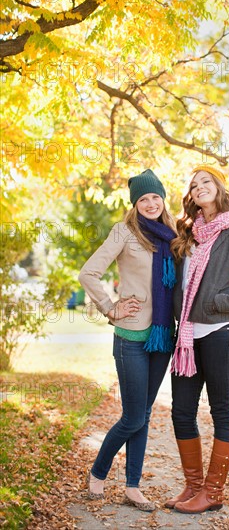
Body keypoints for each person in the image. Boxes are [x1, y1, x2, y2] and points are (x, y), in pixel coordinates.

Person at [166, 165, 229, 514]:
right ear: (191, 197)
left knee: (222, 411)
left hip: (222, 333)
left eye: (205, 181)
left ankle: (213, 492)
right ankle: (194, 486)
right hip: (187, 338)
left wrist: (219, 303)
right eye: (194, 186)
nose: (199, 188)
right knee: (181, 411)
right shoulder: (189, 234)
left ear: (218, 187)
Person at [78, 169, 176, 512]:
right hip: (131, 336)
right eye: (143, 198)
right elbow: (88, 272)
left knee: (144, 414)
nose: (150, 203)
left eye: (155, 197)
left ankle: (133, 487)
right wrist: (110, 307)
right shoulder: (124, 231)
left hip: (163, 337)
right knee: (133, 417)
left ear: (163, 199)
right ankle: (98, 472)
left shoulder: (173, 235)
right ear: (135, 204)